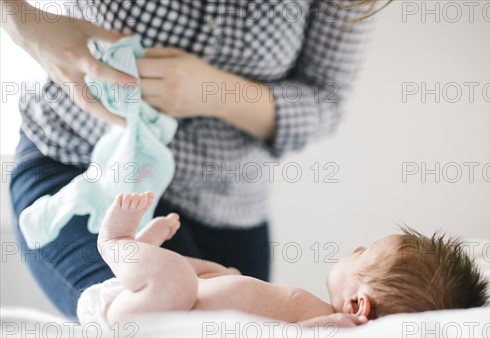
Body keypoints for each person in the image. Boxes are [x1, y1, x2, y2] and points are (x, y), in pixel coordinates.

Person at [0, 0, 379, 319]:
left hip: (228, 209)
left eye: (368, 253)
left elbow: (326, 99)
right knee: (143, 332)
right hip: (83, 168)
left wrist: (218, 93)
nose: (357, 249)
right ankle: (114, 242)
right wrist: (25, 24)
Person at [78, 191, 490, 328]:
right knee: (224, 274)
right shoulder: (328, 317)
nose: (353, 249)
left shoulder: (341, 330)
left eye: (362, 253)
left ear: (359, 305)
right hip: (156, 303)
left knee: (188, 281)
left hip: (141, 316)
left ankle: (115, 242)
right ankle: (146, 256)